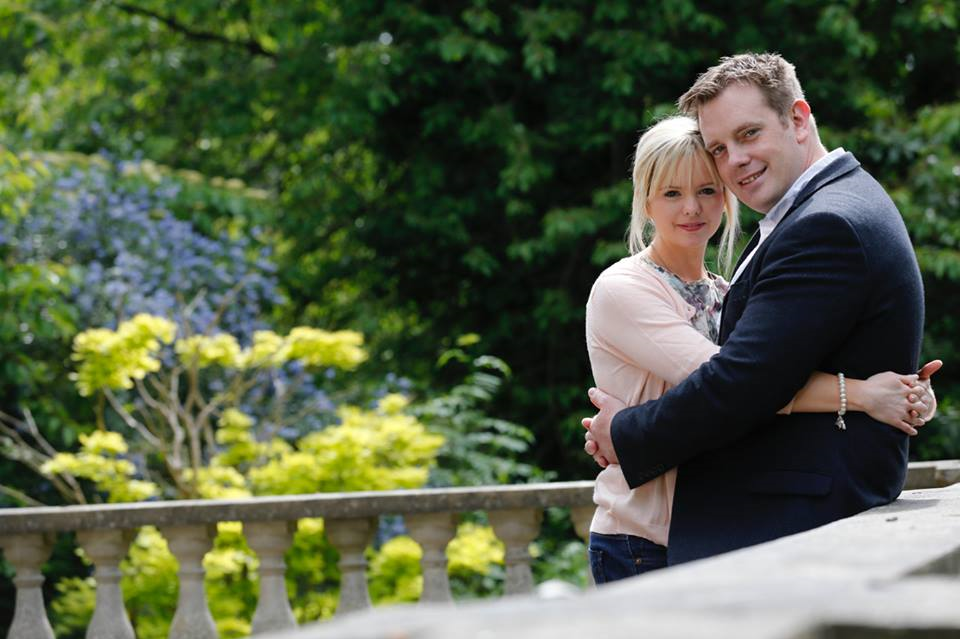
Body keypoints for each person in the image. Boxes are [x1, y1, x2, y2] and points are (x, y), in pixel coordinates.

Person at [584, 52, 933, 567]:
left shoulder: (823, 223)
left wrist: (627, 433)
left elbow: (744, 381)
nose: (736, 161)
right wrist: (861, 394)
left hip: (776, 516)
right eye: (720, 149)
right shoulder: (628, 286)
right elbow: (746, 375)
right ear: (645, 201)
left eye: (749, 134)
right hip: (645, 531)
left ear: (798, 118)